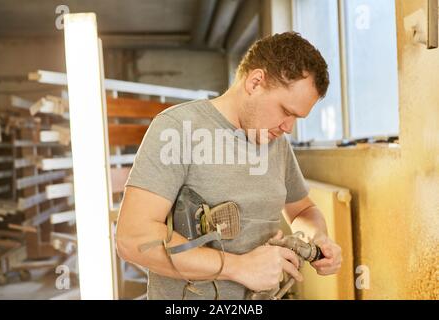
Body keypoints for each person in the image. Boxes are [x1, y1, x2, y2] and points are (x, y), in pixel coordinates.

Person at [116, 32, 342, 300]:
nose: (289, 127)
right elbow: (132, 238)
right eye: (286, 110)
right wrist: (238, 267)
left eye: (297, 117)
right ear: (255, 82)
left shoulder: (275, 141)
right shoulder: (178, 129)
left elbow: (303, 209)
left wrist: (317, 239)